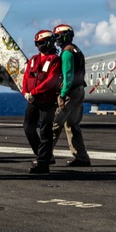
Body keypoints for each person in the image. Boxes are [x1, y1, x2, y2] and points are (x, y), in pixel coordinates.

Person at [50, 23, 92, 167]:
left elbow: (68, 76)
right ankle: (81, 157)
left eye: (57, 36)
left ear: (64, 36)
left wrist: (62, 94)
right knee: (72, 125)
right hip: (79, 91)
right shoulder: (76, 50)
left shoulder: (66, 53)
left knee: (55, 123)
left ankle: (46, 156)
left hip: (70, 93)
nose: (56, 39)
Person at [22, 29, 61, 175]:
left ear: (49, 43)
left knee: (45, 131)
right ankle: (43, 155)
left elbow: (51, 81)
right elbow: (26, 78)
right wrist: (25, 92)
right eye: (37, 43)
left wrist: (33, 92)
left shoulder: (55, 60)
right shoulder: (33, 60)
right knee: (28, 128)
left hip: (47, 101)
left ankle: (43, 163)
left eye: (42, 43)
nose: (39, 45)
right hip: (32, 99)